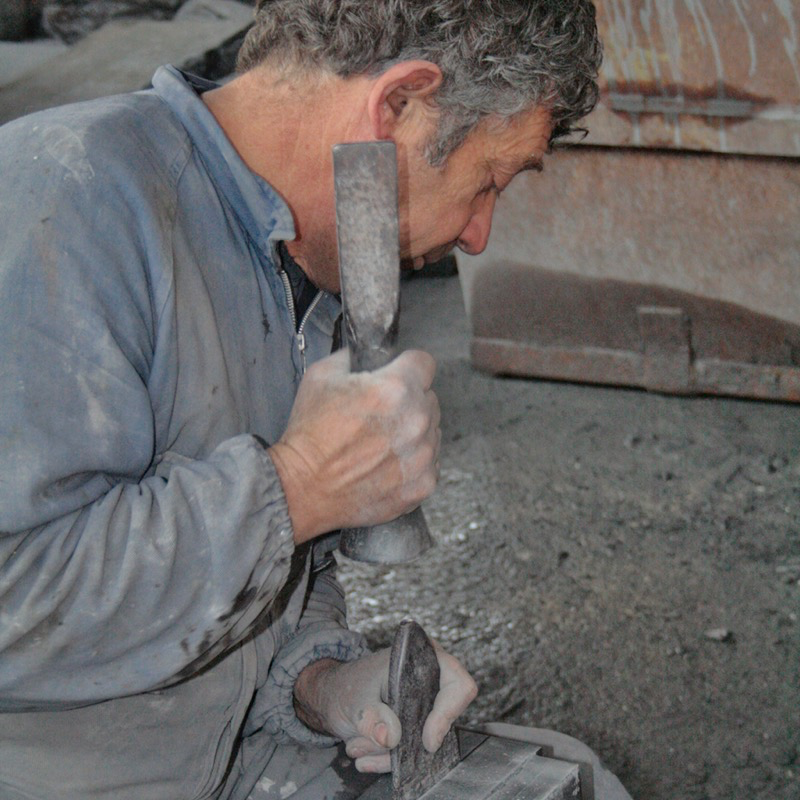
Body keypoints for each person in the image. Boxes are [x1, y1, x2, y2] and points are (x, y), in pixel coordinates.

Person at [0, 1, 608, 798]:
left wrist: (320, 681)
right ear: (394, 107)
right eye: (486, 181)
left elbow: (285, 579)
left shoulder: (303, 260)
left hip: (237, 756)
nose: (479, 233)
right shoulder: (62, 200)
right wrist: (296, 488)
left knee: (571, 778)